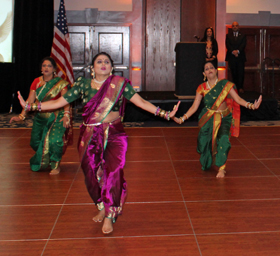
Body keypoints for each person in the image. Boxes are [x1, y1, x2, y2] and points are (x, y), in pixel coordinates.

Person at [17, 52, 180, 235]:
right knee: (90, 173)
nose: (103, 64)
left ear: (111, 67)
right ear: (92, 68)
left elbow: (140, 101)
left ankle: (110, 214)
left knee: (114, 172)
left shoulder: (119, 85)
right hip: (89, 134)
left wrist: (165, 114)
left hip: (115, 133)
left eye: (107, 62)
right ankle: (101, 204)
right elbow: (61, 101)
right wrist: (31, 106)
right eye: (99, 61)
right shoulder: (83, 84)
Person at [174, 60, 261, 178]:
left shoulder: (225, 84)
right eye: (206, 68)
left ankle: (222, 168)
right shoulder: (202, 88)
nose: (209, 69)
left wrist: (252, 106)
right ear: (204, 74)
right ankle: (209, 159)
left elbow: (238, 99)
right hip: (208, 119)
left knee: (224, 139)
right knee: (204, 143)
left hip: (224, 117)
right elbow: (194, 106)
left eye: (211, 67)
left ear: (216, 71)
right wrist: (182, 119)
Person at [10, 57, 72, 175]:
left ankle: (55, 164)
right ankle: (47, 158)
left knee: (54, 141)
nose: (46, 68)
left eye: (49, 66)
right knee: (35, 142)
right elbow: (30, 100)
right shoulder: (36, 82)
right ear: (41, 68)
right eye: (44, 66)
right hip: (40, 117)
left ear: (54, 69)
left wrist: (66, 115)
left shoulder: (61, 83)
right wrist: (22, 116)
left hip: (56, 116)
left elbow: (66, 100)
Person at [225, 21, 247, 94]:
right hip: (231, 57)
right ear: (232, 27)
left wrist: (237, 51)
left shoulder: (243, 35)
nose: (235, 27)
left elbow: (243, 44)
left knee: (240, 72)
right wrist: (233, 51)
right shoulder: (228, 35)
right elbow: (228, 45)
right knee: (233, 72)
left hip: (240, 57)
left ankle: (240, 87)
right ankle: (234, 88)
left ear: (238, 27)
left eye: (236, 26)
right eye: (233, 26)